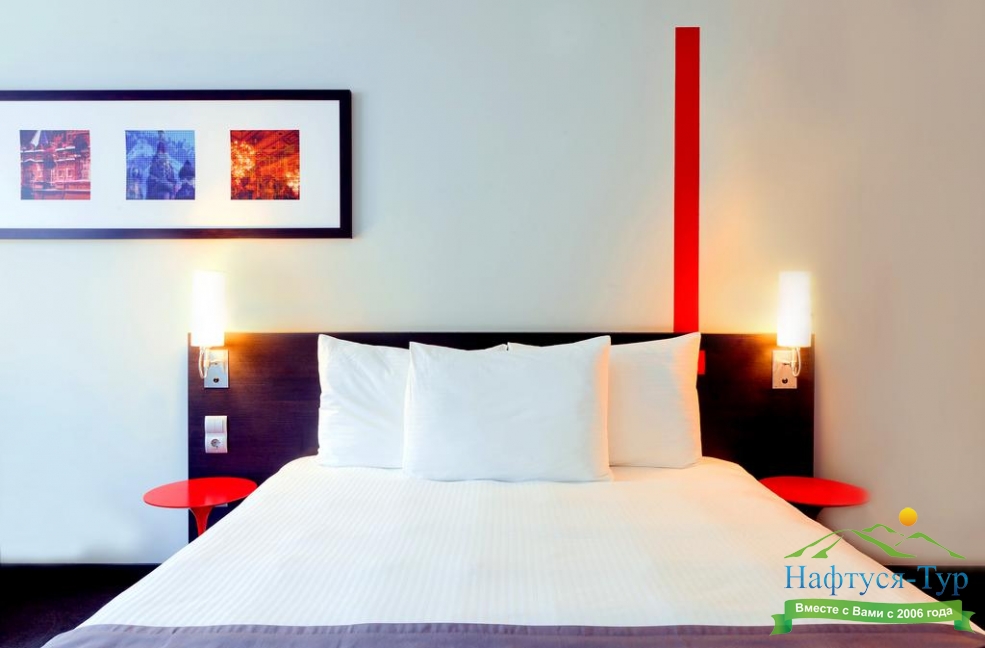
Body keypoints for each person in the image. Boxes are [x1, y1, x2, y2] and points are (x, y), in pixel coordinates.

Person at [145, 133, 177, 199]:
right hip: (156, 194)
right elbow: (150, 180)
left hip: (167, 193)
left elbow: (173, 180)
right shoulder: (153, 165)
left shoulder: (169, 167)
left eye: (163, 153)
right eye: (159, 153)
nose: (161, 154)